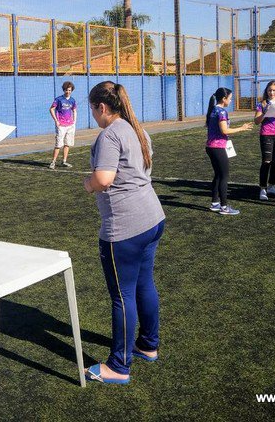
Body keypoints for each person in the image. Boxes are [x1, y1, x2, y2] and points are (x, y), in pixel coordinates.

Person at [82, 81, 165, 385]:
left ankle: (119, 366)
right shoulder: (137, 128)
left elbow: (104, 178)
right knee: (144, 283)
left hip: (125, 227)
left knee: (122, 295)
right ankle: (148, 345)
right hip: (152, 218)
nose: (93, 115)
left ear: (101, 107)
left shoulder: (110, 134)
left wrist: (88, 183)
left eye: (92, 110)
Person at [205, 87, 254, 215]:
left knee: (218, 175)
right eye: (230, 98)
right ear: (224, 99)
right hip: (218, 147)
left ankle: (215, 203)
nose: (231, 101)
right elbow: (224, 130)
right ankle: (224, 207)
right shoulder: (221, 112)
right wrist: (242, 128)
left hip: (211, 146)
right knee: (224, 177)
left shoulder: (213, 110)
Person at [254, 80, 275, 201]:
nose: (271, 92)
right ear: (266, 91)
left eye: (274, 90)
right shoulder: (262, 104)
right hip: (266, 134)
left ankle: (271, 186)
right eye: (269, 90)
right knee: (266, 161)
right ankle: (262, 188)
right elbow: (256, 121)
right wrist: (265, 112)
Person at [49, 81, 77, 169]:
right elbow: (51, 109)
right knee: (58, 144)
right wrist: (56, 121)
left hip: (70, 125)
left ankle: (64, 161)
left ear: (71, 90)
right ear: (63, 90)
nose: (68, 92)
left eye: (69, 90)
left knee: (67, 143)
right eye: (66, 90)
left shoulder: (72, 100)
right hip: (61, 125)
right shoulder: (58, 99)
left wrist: (74, 121)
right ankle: (53, 162)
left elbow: (74, 110)